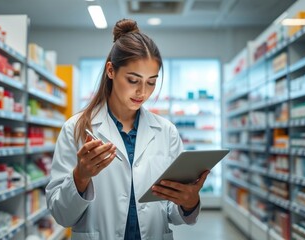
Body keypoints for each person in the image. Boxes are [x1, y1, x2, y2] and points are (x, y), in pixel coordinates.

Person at [46, 18, 210, 240]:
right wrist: (81, 177)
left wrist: (189, 202)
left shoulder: (166, 132)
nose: (142, 92)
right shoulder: (75, 129)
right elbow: (61, 215)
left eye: (151, 82)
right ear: (111, 71)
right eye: (133, 80)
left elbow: (171, 213)